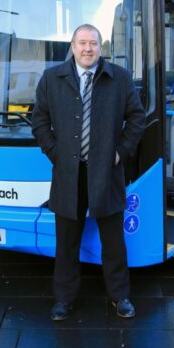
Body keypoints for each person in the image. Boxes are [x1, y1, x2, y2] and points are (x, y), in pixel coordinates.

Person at [31, 24, 145, 321]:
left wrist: (119, 153)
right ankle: (64, 300)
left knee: (113, 243)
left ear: (100, 46)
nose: (87, 49)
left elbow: (136, 118)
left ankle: (120, 297)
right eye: (81, 43)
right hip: (68, 175)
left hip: (107, 174)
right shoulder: (51, 78)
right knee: (66, 242)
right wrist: (55, 153)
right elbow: (39, 121)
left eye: (93, 43)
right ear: (72, 46)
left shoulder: (118, 78)